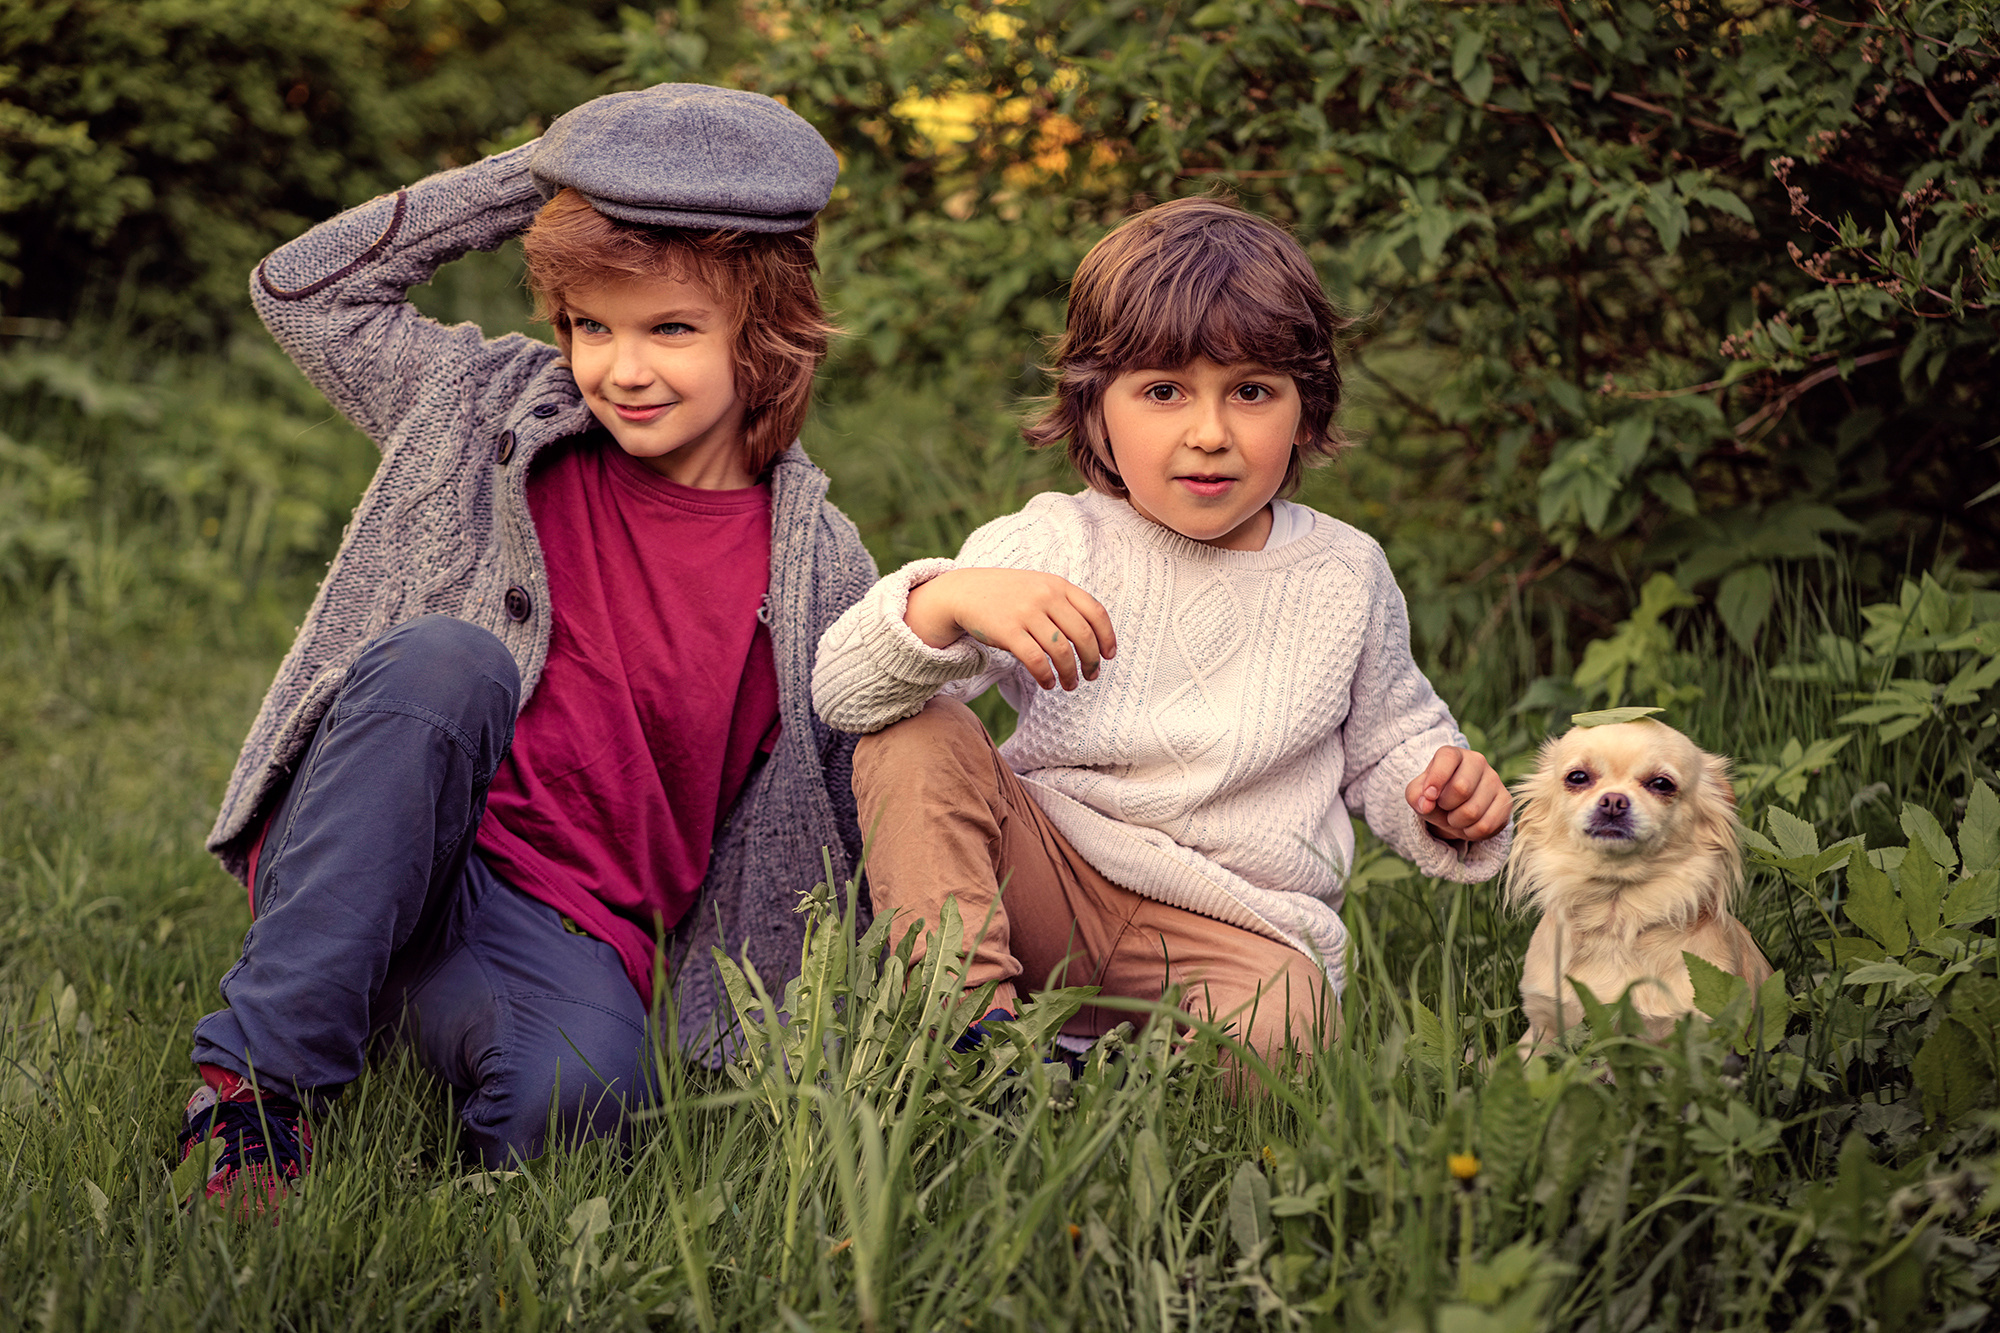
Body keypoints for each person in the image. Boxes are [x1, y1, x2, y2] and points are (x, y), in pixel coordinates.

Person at [179, 84, 877, 1206]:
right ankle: (254, 1092)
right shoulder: (487, 405)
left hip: (562, 923)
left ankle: (396, 1011)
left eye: (670, 328)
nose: (621, 369)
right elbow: (303, 290)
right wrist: (558, 168)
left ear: (768, 333)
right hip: (379, 828)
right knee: (447, 662)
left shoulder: (819, 566)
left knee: (585, 1104)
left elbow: (846, 809)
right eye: (591, 325)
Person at [812, 196, 1510, 1068]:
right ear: (1096, 409)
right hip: (1051, 882)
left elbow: (1391, 745)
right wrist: (947, 602)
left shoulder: (1343, 572)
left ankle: (1120, 1072)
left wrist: (1445, 799)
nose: (1209, 433)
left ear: (1306, 408)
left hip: (1235, 929)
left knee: (1290, 1034)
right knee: (916, 731)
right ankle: (976, 1041)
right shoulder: (1053, 543)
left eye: (1251, 392)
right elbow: (844, 695)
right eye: (1163, 392)